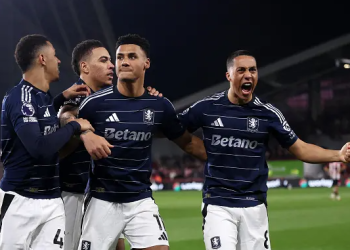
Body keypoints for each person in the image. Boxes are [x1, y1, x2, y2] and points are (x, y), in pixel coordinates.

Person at [178, 50, 350, 250]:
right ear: (229, 76)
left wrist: (338, 154)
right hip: (219, 204)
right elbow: (172, 127)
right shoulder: (207, 107)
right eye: (241, 70)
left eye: (253, 70)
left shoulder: (268, 113)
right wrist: (143, 110)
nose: (248, 74)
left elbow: (300, 148)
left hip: (255, 206)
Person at [77, 34, 206, 250]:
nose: (124, 61)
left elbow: (188, 143)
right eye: (119, 57)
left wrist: (226, 158)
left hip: (140, 200)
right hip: (102, 199)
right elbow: (68, 119)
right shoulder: (94, 104)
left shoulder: (160, 106)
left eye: (131, 56)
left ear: (146, 63)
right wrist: (84, 133)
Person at [0, 34, 94, 249]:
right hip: (20, 200)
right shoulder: (20, 98)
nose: (59, 60)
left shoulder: (42, 97)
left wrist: (61, 98)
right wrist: (75, 126)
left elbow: (42, 117)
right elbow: (39, 148)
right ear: (42, 59)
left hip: (52, 200)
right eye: (54, 56)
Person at [58, 39, 125, 250]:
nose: (111, 65)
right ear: (84, 67)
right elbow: (65, 116)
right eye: (104, 60)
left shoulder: (108, 100)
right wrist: (84, 130)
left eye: (110, 60)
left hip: (106, 194)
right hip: (75, 195)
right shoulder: (76, 99)